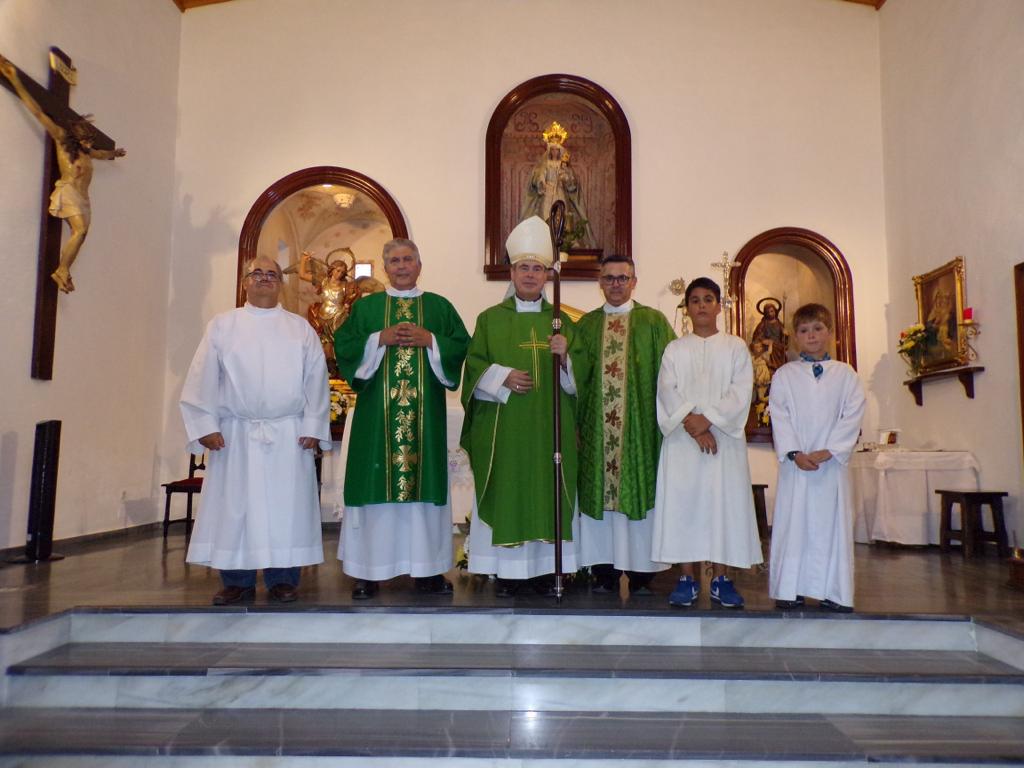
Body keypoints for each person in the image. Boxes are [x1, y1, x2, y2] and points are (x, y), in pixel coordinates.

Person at [180, 256, 331, 605]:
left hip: (287, 434)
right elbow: (202, 375)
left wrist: (313, 424)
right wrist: (205, 424)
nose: (264, 278)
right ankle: (236, 581)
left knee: (285, 508)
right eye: (257, 273)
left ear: (280, 283)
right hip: (237, 434)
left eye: (272, 274)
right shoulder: (222, 326)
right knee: (235, 508)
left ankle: (283, 579)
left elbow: (316, 380)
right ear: (245, 282)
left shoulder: (299, 329)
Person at [334, 239, 469, 599]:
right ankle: (368, 571)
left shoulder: (438, 307)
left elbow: (462, 346)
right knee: (374, 488)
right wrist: (379, 338)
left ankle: (426, 571)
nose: (402, 265)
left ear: (419, 265)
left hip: (424, 424)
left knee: (423, 493)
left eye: (408, 259)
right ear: (385, 268)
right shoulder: (368, 308)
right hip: (376, 422)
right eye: (394, 260)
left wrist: (431, 340)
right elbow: (344, 345)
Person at [461, 215, 578, 596]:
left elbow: (583, 382)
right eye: (523, 267)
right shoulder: (490, 320)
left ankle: (548, 571)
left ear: (547, 275)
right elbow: (474, 368)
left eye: (538, 268)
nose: (530, 275)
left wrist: (567, 358)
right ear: (511, 272)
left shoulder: (563, 322)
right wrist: (500, 376)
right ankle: (506, 572)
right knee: (510, 489)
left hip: (549, 430)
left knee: (547, 490)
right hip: (506, 430)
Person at [651, 277, 762, 608]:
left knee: (721, 506)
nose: (701, 305)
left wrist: (708, 419)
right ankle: (686, 578)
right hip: (684, 443)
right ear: (686, 308)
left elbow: (741, 391)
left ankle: (721, 579)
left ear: (718, 306)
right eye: (695, 299)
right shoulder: (675, 349)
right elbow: (667, 390)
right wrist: (694, 425)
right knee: (684, 506)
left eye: (708, 299)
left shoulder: (735, 347)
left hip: (723, 444)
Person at [570, 255, 674, 594]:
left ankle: (643, 575)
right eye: (609, 278)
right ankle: (604, 573)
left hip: (640, 432)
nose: (616, 284)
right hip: (597, 432)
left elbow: (674, 373)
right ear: (600, 282)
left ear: (634, 281)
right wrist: (562, 360)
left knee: (639, 494)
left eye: (622, 277)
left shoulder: (654, 322)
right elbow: (573, 381)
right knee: (599, 498)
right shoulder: (585, 325)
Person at [768, 303, 865, 612]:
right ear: (795, 337)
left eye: (817, 329)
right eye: (804, 330)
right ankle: (790, 588)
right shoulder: (784, 375)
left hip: (830, 465)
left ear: (830, 333)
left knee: (830, 526)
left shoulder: (846, 375)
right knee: (794, 524)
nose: (811, 336)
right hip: (797, 465)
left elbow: (852, 414)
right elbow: (779, 414)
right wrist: (795, 452)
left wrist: (830, 450)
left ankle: (833, 591)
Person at [0, 53, 126, 293]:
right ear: (76, 136)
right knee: (79, 231)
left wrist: (114, 154)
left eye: (91, 141)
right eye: (86, 140)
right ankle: (61, 270)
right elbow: (38, 112)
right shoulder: (61, 139)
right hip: (68, 191)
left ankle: (64, 269)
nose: (90, 144)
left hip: (83, 199)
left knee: (83, 233)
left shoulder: (88, 153)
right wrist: (15, 80)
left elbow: (103, 154)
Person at [519, 122, 590, 247]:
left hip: (560, 192)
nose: (555, 153)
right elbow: (539, 176)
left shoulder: (564, 165)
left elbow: (571, 184)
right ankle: (545, 240)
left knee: (562, 213)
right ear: (549, 150)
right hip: (547, 193)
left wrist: (565, 175)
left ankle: (564, 239)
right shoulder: (544, 165)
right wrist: (542, 183)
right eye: (553, 150)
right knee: (546, 213)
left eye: (557, 150)